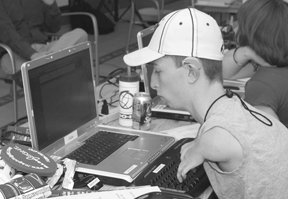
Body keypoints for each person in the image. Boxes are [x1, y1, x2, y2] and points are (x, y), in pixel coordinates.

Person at [123, 8, 288, 198]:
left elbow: (226, 138)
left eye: (158, 71)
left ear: (192, 71)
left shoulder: (219, 133)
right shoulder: (232, 106)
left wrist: (201, 147)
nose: (152, 83)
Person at [222, 0, 288, 128]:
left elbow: (269, 136)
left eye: (239, 24)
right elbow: (223, 71)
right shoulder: (271, 65)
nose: (235, 28)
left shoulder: (261, 85)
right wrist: (246, 52)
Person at [0, 0, 88, 80]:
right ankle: (51, 64)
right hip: (13, 53)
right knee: (32, 72)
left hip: (44, 49)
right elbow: (8, 34)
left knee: (80, 34)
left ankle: (47, 63)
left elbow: (53, 28)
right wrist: (34, 55)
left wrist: (51, 4)